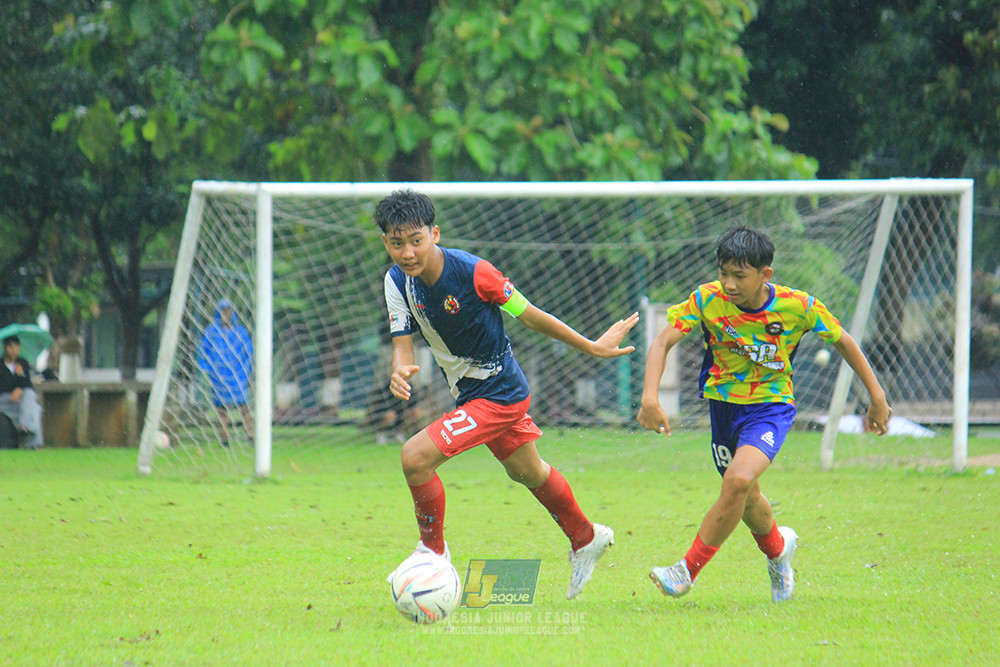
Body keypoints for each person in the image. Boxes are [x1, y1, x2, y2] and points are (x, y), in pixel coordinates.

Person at [377, 189, 639, 600]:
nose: (407, 252)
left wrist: (592, 346)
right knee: (527, 473)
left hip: (499, 393)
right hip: (469, 395)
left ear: (435, 234)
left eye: (416, 240)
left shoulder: (475, 273)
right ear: (386, 243)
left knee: (415, 457)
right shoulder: (396, 282)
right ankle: (585, 536)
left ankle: (432, 553)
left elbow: (531, 316)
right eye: (396, 242)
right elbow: (402, 342)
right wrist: (400, 366)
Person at [637, 226, 892, 603]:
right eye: (724, 272)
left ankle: (685, 571)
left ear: (765, 274)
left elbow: (843, 341)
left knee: (738, 481)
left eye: (739, 275)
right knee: (748, 496)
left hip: (770, 408)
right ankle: (778, 552)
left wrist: (877, 396)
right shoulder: (707, 299)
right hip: (723, 410)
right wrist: (649, 397)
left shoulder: (798, 306)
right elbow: (662, 342)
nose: (728, 283)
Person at [198, 299, 254, 448]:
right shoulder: (211, 331)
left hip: (237, 377)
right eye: (223, 311)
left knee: (244, 407)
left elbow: (248, 352)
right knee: (221, 410)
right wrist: (207, 369)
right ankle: (224, 439)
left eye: (228, 311)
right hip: (219, 377)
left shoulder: (240, 332)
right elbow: (203, 352)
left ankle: (252, 435)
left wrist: (245, 371)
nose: (226, 314)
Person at [0, 335, 43, 449]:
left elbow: (27, 384)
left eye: (16, 347)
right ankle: (32, 443)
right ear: (5, 348)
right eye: (11, 347)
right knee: (34, 408)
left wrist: (20, 379)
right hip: (5, 399)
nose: (14, 350)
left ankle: (24, 426)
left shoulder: (22, 363)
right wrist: (13, 387)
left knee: (29, 396)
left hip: (21, 398)